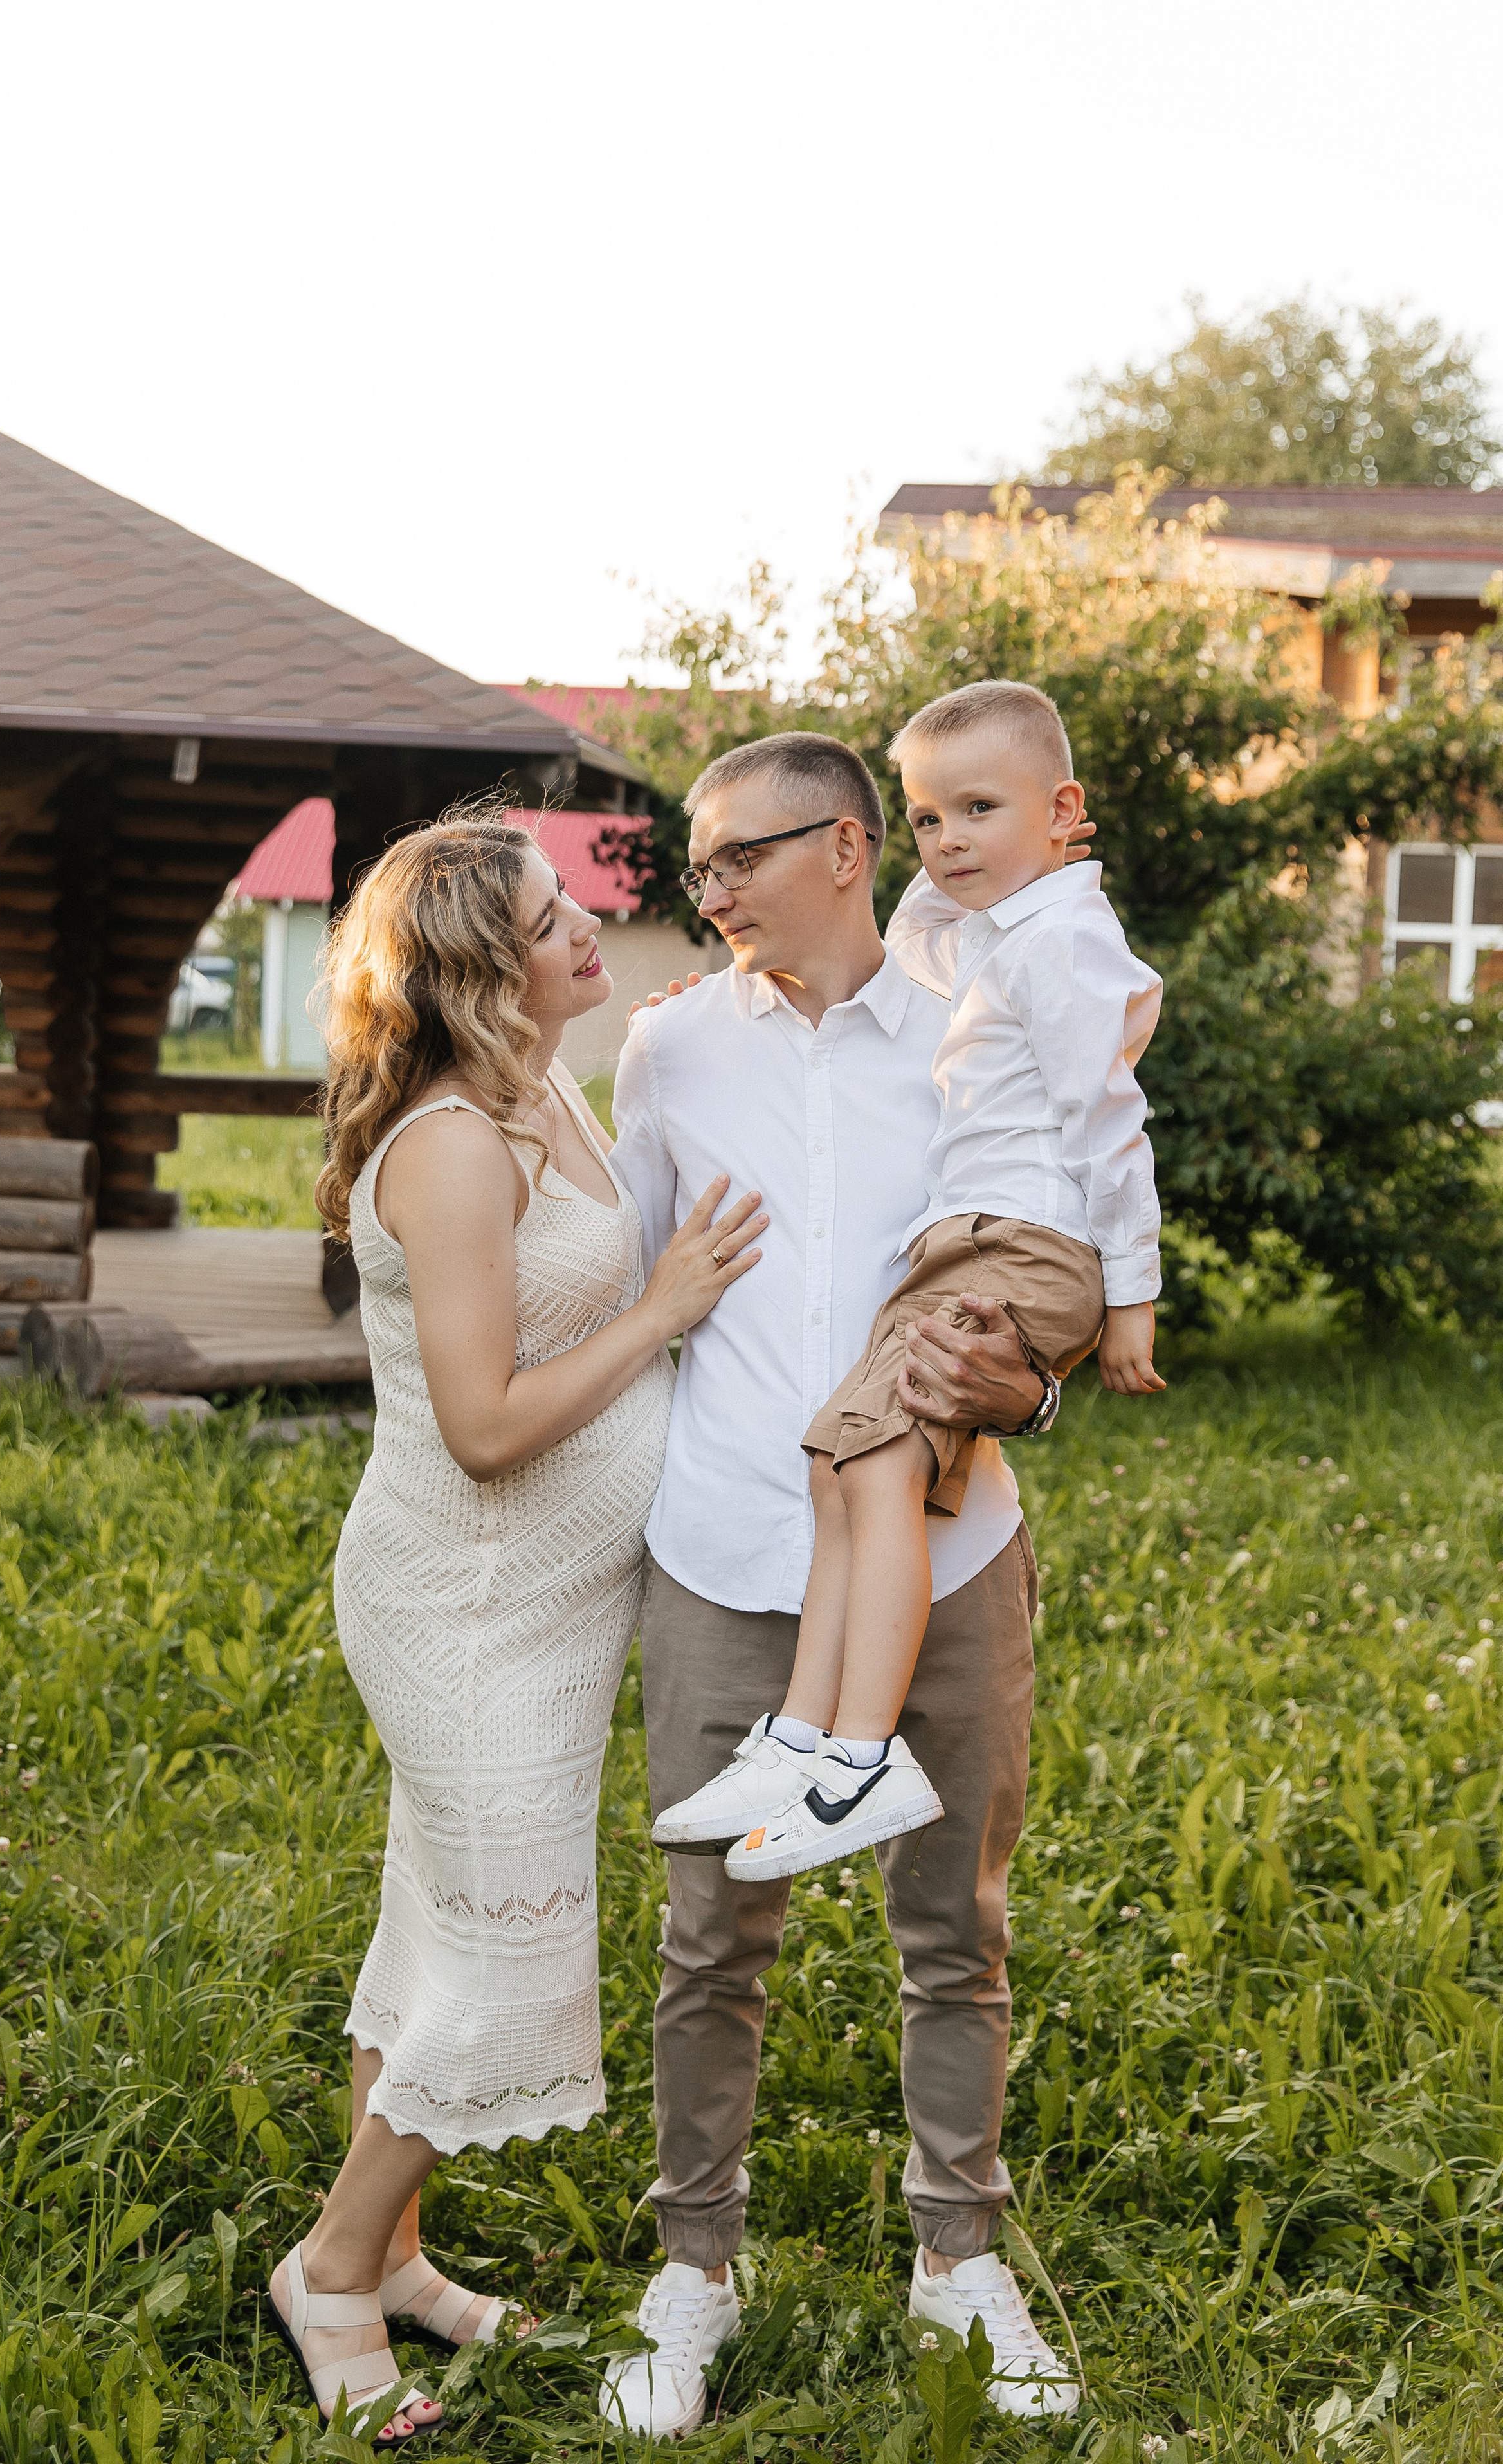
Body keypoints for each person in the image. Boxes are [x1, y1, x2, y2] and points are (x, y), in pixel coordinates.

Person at [602, 732, 1087, 2439]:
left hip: (948, 1556)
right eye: (698, 864)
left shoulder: (983, 1033)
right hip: (725, 1554)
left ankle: (959, 2255)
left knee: (955, 1930)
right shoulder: (664, 1051)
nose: (709, 889)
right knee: (708, 1936)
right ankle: (695, 2268)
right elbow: (636, 1289)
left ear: (847, 847)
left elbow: (1045, 1285)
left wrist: (1029, 1391)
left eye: (739, 855)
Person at [268, 810, 765, 2445]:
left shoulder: (543, 1090)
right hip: (466, 1603)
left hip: (547, 1604)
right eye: (550, 924)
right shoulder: (449, 1147)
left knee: (435, 1924)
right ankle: (330, 2274)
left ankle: (397, 2257)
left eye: (569, 906)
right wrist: (663, 1311)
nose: (583, 932)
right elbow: (483, 1427)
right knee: (503, 1958)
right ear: (481, 975)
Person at [658, 681, 1164, 1883]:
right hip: (943, 1272)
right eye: (929, 819)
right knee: (840, 1458)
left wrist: (1125, 1305)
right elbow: (935, 915)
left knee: (873, 1467)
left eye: (978, 810)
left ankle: (856, 1757)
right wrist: (1013, 842)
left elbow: (1111, 1124)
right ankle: (805, 1739)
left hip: (1013, 1262)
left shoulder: (1036, 965)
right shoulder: (978, 950)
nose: (946, 844)